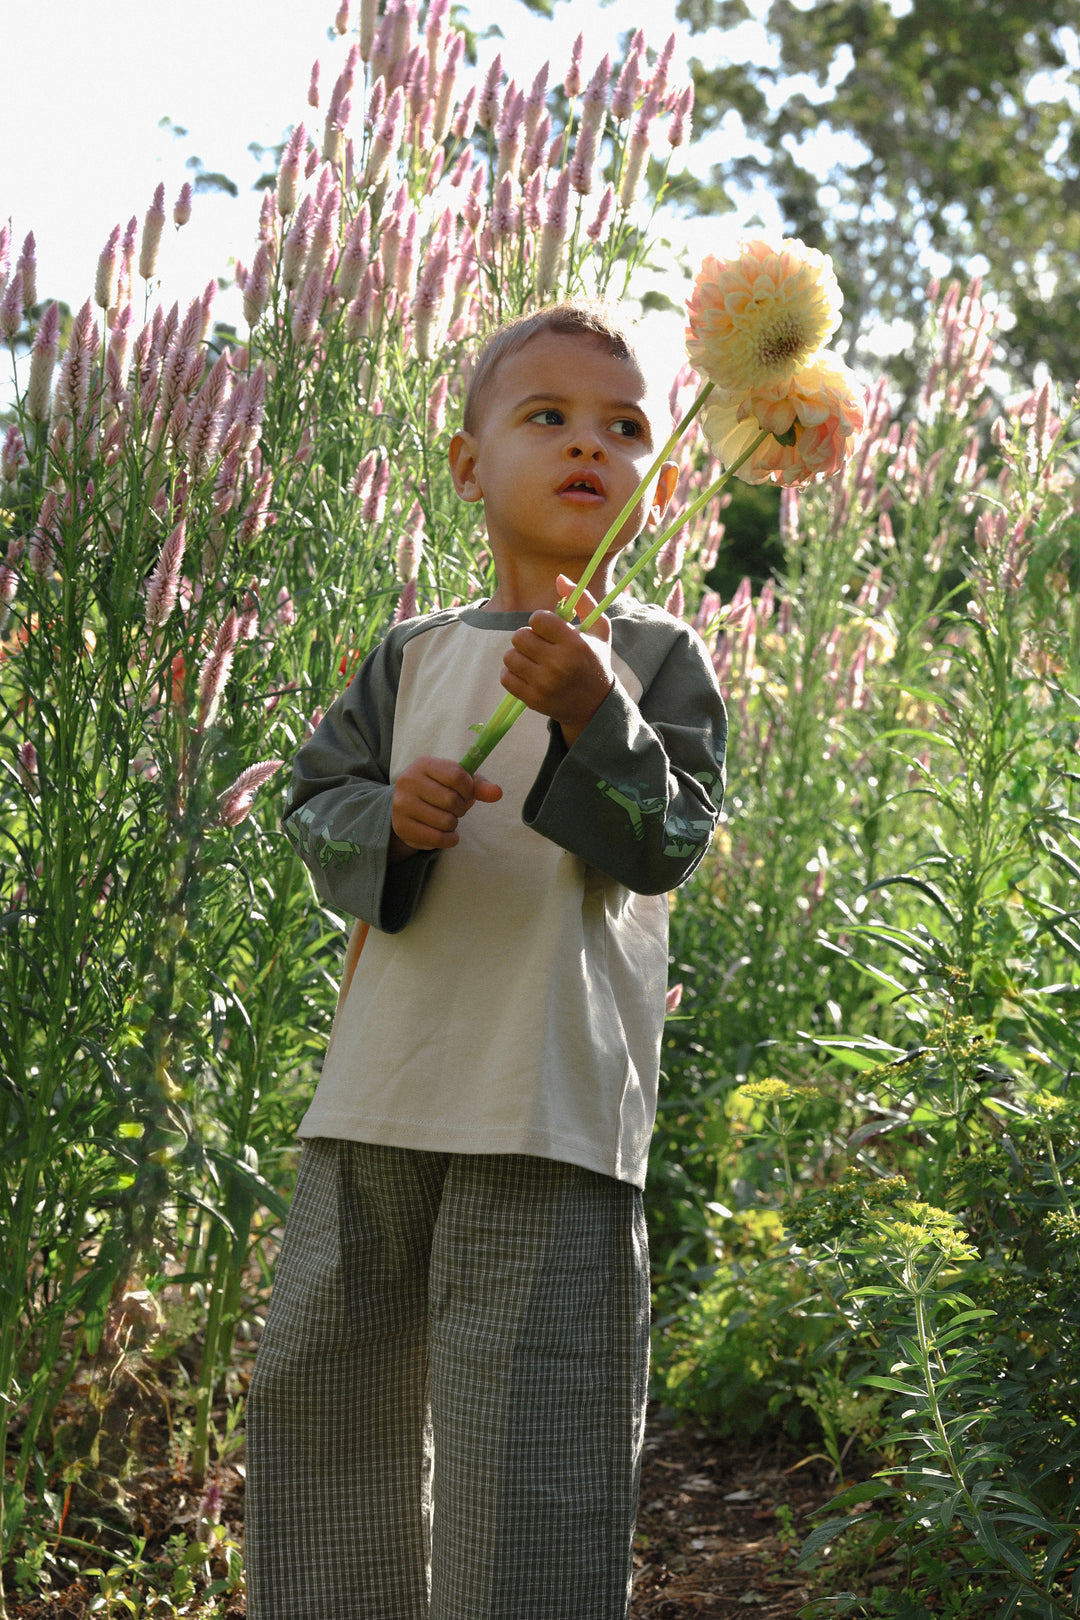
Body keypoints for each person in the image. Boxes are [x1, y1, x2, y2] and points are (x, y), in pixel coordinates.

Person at [244, 300, 728, 1620]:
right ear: (468, 464)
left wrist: (595, 714)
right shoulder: (408, 656)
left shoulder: (658, 661)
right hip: (380, 1095)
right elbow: (313, 801)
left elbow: (669, 838)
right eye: (548, 416)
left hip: (550, 1107)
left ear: (660, 480)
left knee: (539, 1447)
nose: (590, 444)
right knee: (327, 1397)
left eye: (624, 428)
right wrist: (386, 819)